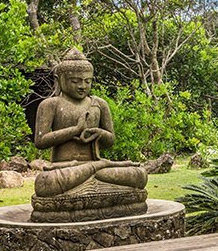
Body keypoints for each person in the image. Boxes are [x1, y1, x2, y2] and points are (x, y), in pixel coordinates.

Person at [33, 49, 147, 199]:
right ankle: (96, 184)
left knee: (139, 175)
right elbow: (40, 141)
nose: (82, 86)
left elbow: (110, 140)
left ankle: (90, 180)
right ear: (60, 79)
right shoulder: (50, 104)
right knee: (46, 183)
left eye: (88, 81)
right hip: (65, 168)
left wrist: (99, 133)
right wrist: (75, 130)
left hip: (97, 166)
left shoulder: (99, 104)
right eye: (75, 81)